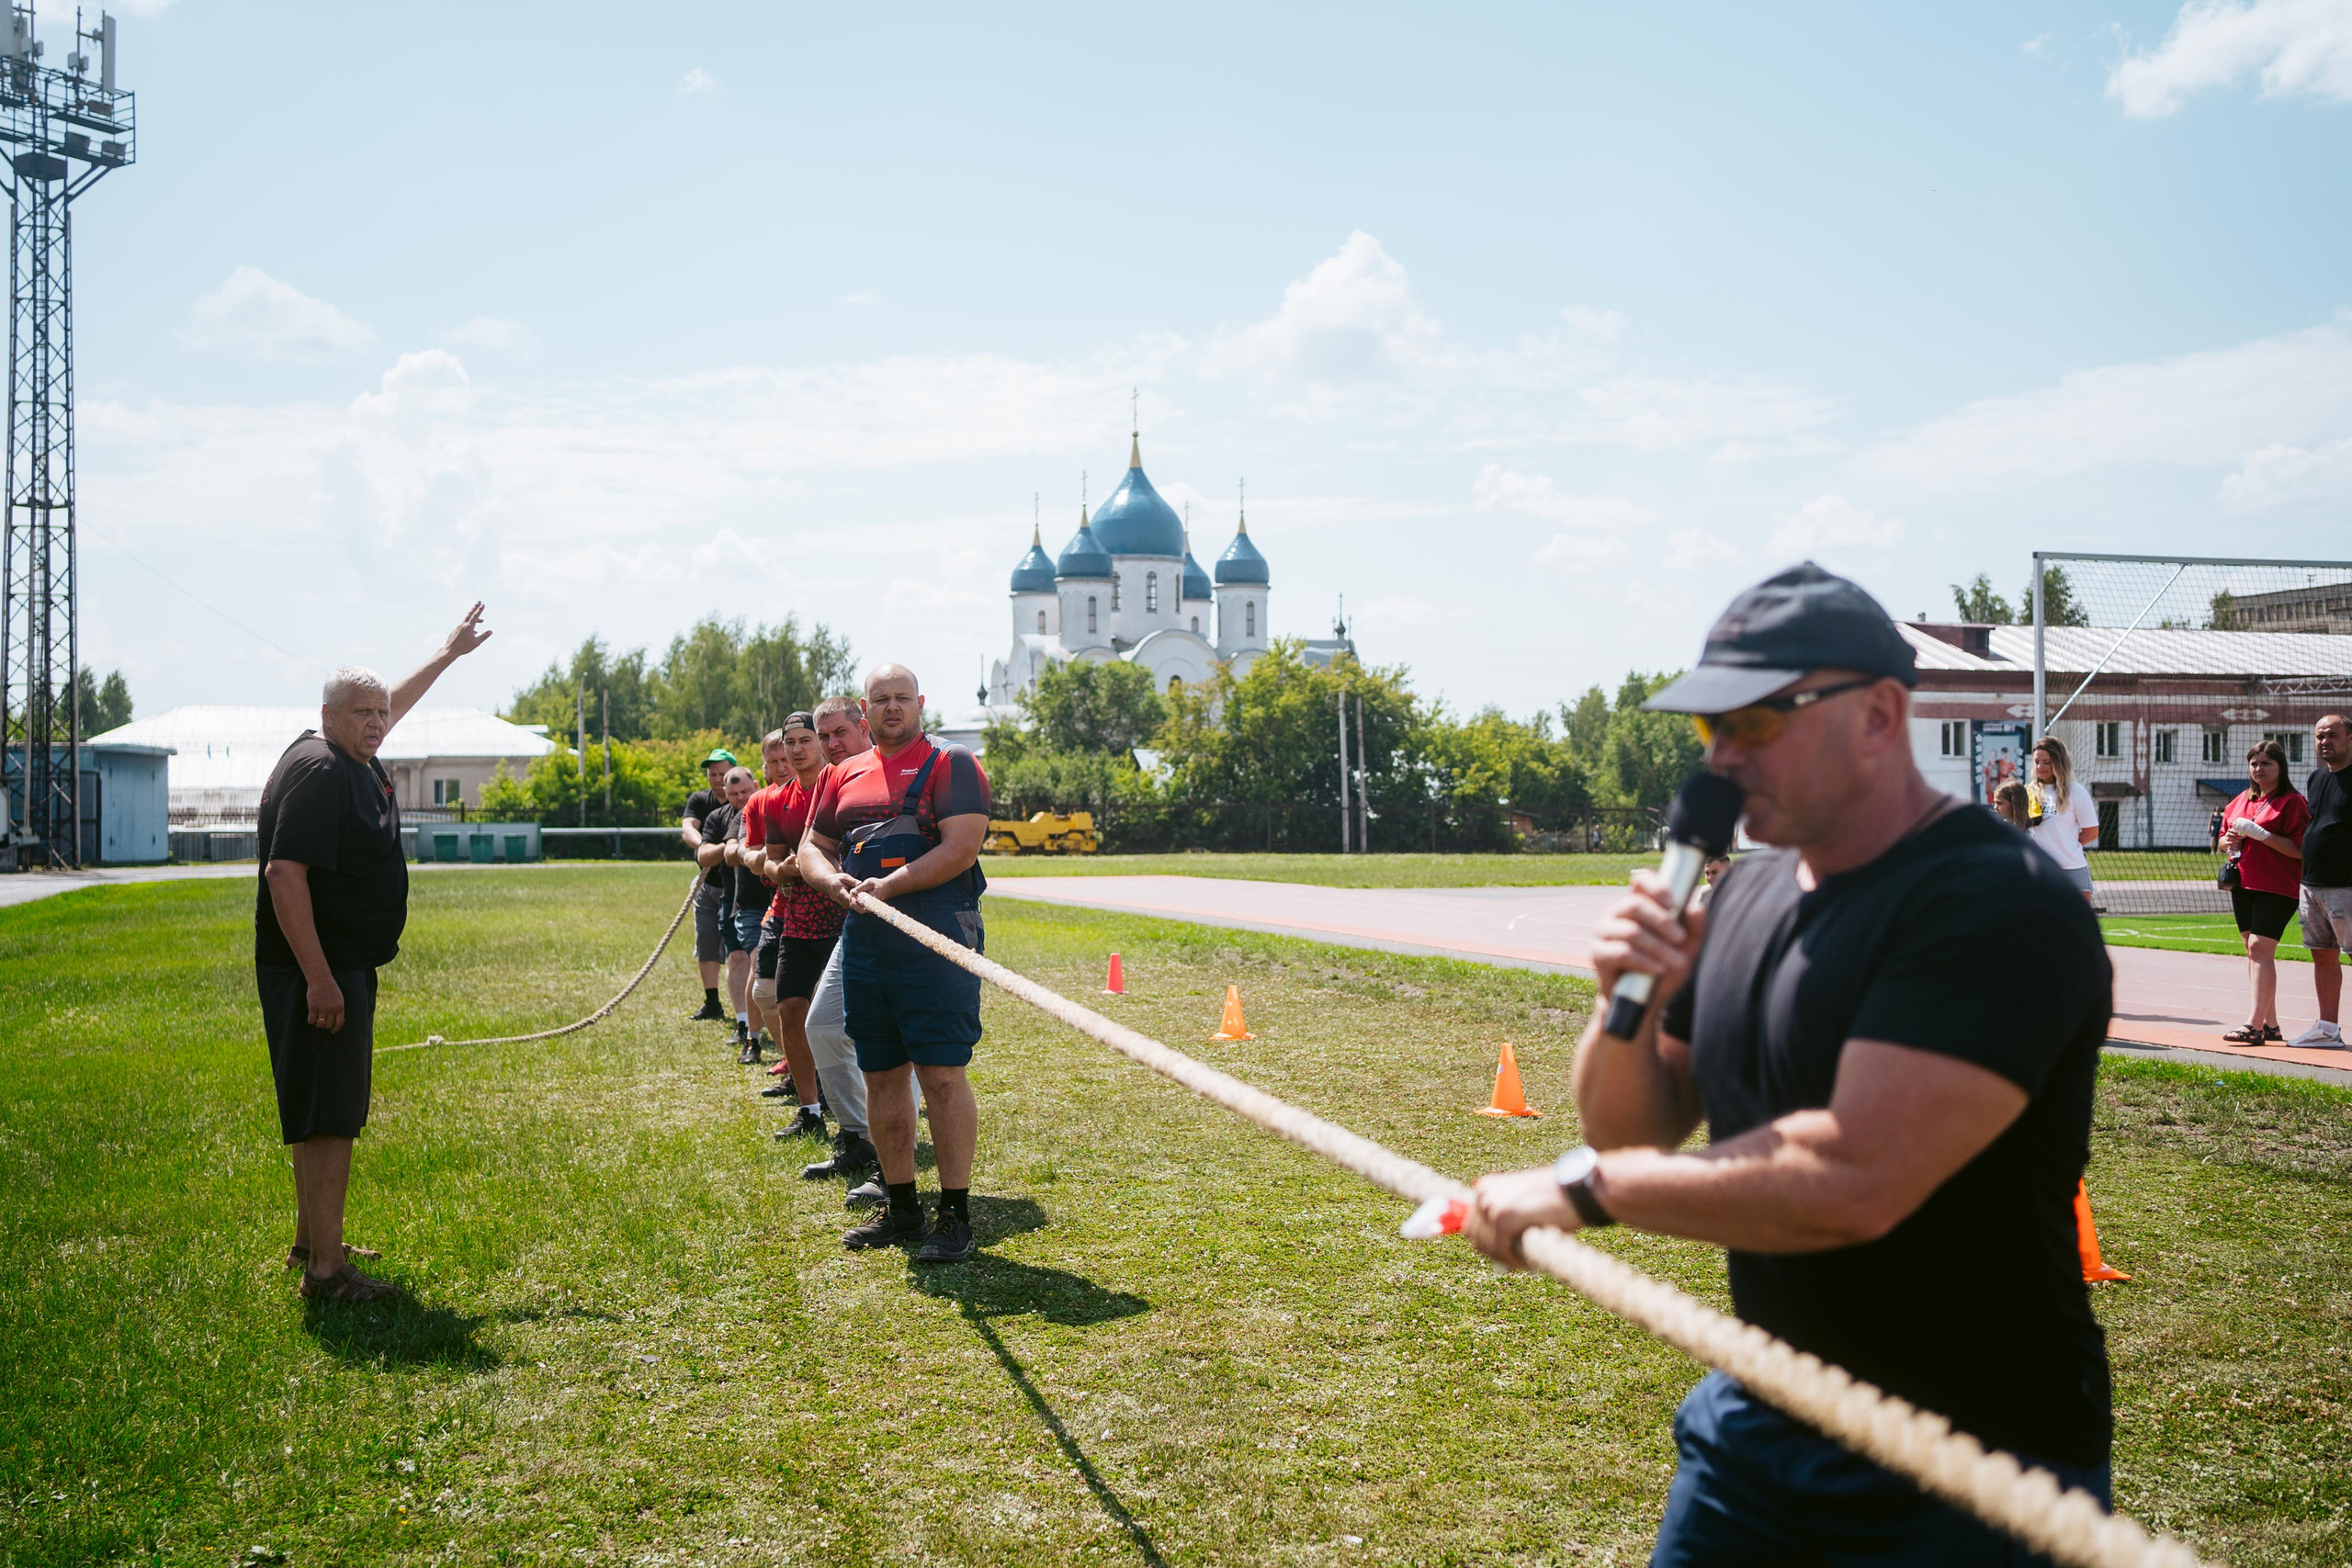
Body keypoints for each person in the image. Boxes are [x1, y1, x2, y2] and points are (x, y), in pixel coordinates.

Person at [1462, 563, 2113, 1565]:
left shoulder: (1994, 903)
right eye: (1706, 729)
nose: (1720, 758)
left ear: (1879, 714)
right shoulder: (1743, 897)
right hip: (1759, 1420)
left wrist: (1586, 1192)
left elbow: (1850, 1178)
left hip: (1971, 1469)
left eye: (1756, 721)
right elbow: (1631, 1127)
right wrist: (1620, 1005)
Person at [256, 604, 493, 1303]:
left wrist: (446, 655)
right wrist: (321, 979)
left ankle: (312, 1241)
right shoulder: (322, 769)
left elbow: (392, 702)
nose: (376, 722)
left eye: (381, 712)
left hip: (335, 967)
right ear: (328, 714)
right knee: (331, 1114)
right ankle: (328, 1274)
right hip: (319, 973)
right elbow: (283, 873)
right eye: (362, 712)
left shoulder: (346, 749)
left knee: (317, 1105)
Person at [799, 663, 991, 1264]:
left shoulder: (951, 764)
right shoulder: (841, 773)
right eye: (879, 699)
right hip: (866, 939)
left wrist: (891, 884)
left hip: (934, 933)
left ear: (920, 702)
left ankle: (955, 1214)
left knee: (939, 1073)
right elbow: (813, 845)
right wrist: (832, 882)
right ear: (864, 707)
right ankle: (902, 1204)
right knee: (880, 1073)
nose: (891, 708)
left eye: (901, 698)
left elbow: (962, 846)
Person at [794, 694, 885, 1186]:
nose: (830, 744)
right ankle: (859, 1136)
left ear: (863, 727)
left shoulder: (898, 765)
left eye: (838, 733)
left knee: (898, 1042)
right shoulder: (832, 777)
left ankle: (895, 1157)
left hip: (916, 922)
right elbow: (815, 845)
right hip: (859, 922)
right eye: (822, 735)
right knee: (825, 1026)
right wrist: (831, 879)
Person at [744, 715, 833, 1137]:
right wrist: (788, 869)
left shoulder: (839, 785)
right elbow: (773, 866)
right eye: (790, 743)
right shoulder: (777, 801)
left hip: (841, 916)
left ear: (820, 744)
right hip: (796, 917)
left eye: (805, 740)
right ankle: (810, 1109)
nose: (796, 751)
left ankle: (845, 1103)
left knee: (835, 1017)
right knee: (790, 1009)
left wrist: (820, 868)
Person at [2214, 739, 2308, 1045]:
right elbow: (2221, 841)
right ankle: (2271, 1025)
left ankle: (2252, 1026)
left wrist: (2264, 836)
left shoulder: (2292, 802)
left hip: (2277, 886)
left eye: (2266, 763)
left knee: (2259, 948)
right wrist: (2230, 841)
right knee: (2253, 951)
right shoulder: (2242, 799)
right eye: (2254, 763)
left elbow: (2301, 849)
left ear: (2280, 767)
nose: (2259, 769)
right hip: (2243, 884)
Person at [2289, 713, 2351, 1047]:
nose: (2324, 741)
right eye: (2319, 736)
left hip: (2347, 886)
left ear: (2350, 738)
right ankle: (2328, 1030)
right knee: (2322, 955)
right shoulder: (2316, 778)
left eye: (2332, 735)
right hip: (2312, 884)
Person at [698, 766, 762, 1055]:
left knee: (762, 965)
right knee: (737, 959)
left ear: (756, 785)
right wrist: (729, 846)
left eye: (745, 791)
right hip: (734, 899)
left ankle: (762, 1027)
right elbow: (705, 854)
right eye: (733, 793)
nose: (739, 797)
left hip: (769, 899)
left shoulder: (765, 806)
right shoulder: (720, 818)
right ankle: (744, 1023)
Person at [681, 749, 738, 1021]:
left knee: (738, 950)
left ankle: (745, 1011)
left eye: (722, 773)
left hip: (736, 889)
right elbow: (688, 828)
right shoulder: (700, 800)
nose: (717, 779)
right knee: (706, 941)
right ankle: (712, 1002)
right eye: (712, 774)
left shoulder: (741, 799)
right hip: (707, 885)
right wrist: (707, 846)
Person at [2025, 735, 2099, 903]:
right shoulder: (2029, 791)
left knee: (2079, 926)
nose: (2040, 767)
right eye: (2037, 762)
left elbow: (2092, 831)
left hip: (2072, 868)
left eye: (2046, 762)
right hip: (2041, 869)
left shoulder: (2076, 792)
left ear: (2058, 762)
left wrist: (2066, 845)